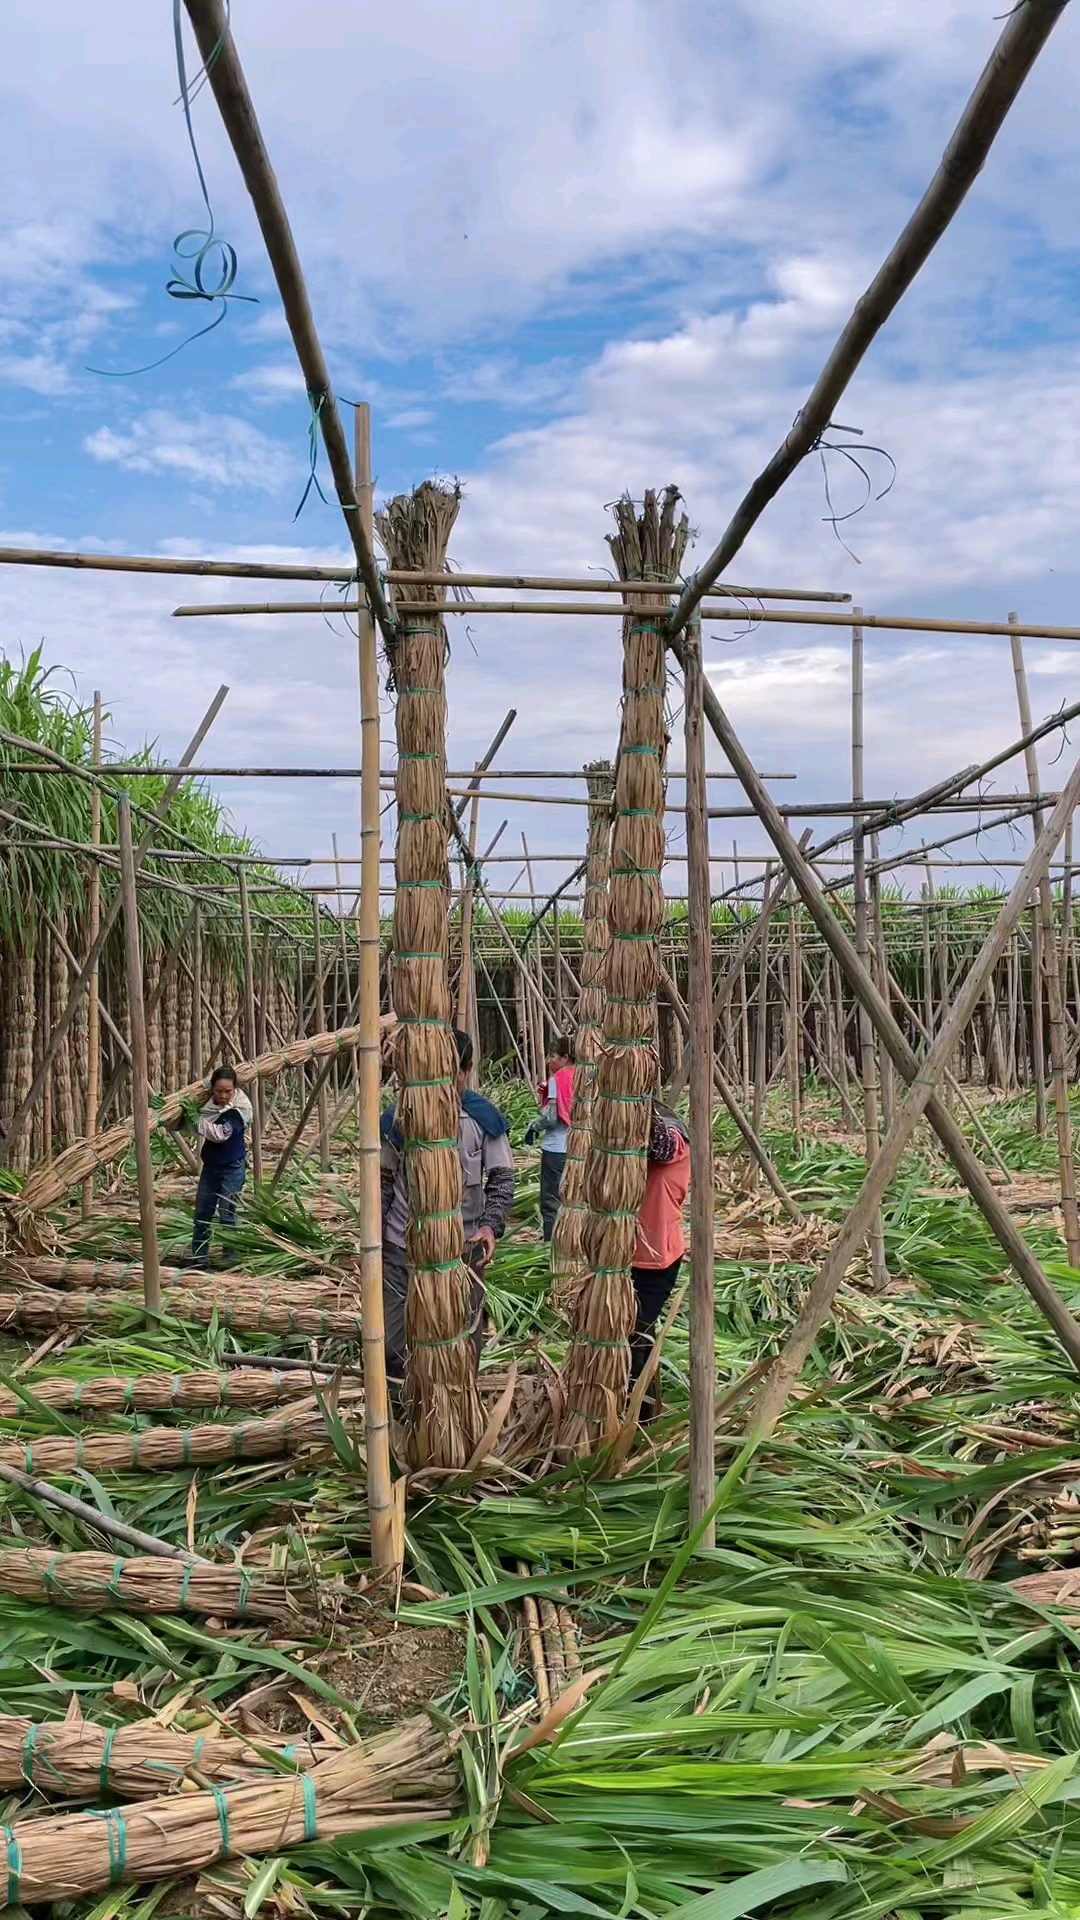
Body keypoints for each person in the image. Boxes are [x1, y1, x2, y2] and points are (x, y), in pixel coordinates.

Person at [379, 1029, 516, 1381]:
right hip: (402, 1244)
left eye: (451, 1071)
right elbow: (383, 1182)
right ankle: (402, 1410)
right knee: (394, 1346)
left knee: (465, 1344)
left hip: (464, 1244)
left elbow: (501, 1178)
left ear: (466, 1070)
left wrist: (490, 1225)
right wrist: (374, 1240)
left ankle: (457, 1410)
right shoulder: (398, 1119)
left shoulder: (482, 1118)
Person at [630, 1103, 691, 1415]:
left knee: (637, 1333)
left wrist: (625, 1110)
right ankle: (638, 1406)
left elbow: (659, 1143)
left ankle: (641, 1412)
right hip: (626, 1255)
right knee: (632, 1333)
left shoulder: (675, 1143)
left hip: (658, 1259)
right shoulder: (634, 1159)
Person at [191, 1066, 252, 1269]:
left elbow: (220, 1134)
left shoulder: (239, 1109)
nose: (223, 1095)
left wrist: (195, 1119)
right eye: (219, 1091)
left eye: (228, 1091)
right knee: (202, 1214)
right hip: (211, 1167)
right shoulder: (207, 1106)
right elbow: (185, 1124)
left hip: (232, 1168)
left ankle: (231, 1260)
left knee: (228, 1214)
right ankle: (199, 1260)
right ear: (212, 1090)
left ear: (235, 1090)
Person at [536, 1038, 575, 1242]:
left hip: (555, 1149)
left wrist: (534, 1126)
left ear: (565, 1058)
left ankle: (551, 1247)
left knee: (551, 1202)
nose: (549, 1062)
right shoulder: (583, 1076)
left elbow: (551, 1117)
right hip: (578, 1149)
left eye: (553, 1057)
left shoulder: (557, 1079)